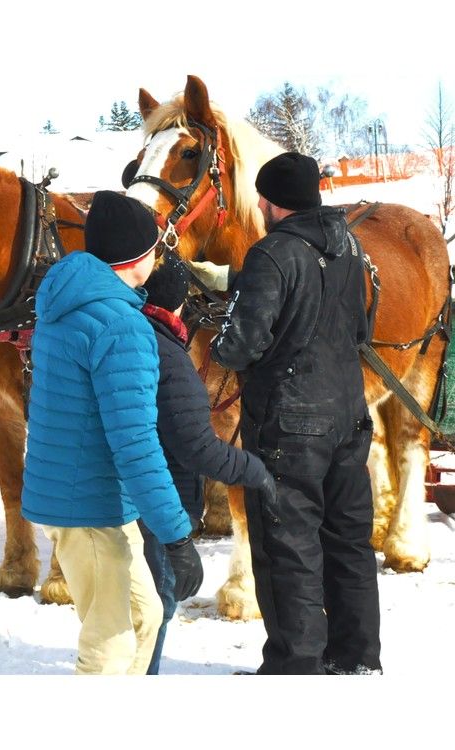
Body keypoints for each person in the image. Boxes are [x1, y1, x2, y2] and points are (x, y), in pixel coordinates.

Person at [190, 152, 381, 675]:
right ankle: (358, 660)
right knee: (348, 544)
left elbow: (239, 347)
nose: (257, 204)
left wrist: (230, 321)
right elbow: (358, 327)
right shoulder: (349, 245)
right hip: (349, 416)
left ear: (275, 203)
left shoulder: (270, 253)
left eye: (261, 197)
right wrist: (238, 280)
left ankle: (295, 670)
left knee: (288, 550)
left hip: (288, 426)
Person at [22, 191, 203, 675]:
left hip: (78, 495)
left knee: (147, 617)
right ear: (139, 256)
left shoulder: (65, 307)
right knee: (110, 647)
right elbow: (137, 445)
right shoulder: (122, 327)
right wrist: (177, 538)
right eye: (154, 248)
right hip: (90, 506)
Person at [138, 251, 277, 675]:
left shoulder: (128, 334)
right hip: (158, 504)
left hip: (121, 501)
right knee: (154, 605)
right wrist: (256, 472)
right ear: (180, 304)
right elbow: (197, 447)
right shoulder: (173, 358)